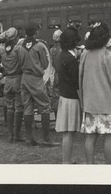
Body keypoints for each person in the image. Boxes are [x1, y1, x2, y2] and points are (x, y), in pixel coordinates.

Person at [79, 22, 111, 164]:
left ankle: (90, 166)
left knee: (90, 137)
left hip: (90, 104)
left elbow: (80, 79)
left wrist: (83, 100)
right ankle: (108, 168)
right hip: (109, 105)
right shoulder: (110, 57)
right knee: (109, 137)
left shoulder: (85, 55)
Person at [18, 21, 60, 147]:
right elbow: (46, 64)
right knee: (45, 106)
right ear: (36, 32)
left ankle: (29, 138)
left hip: (24, 78)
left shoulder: (19, 47)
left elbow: (19, 63)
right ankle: (46, 138)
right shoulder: (39, 46)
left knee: (28, 107)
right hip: (36, 79)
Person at [55, 27, 81, 164]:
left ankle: (67, 160)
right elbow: (76, 82)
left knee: (67, 132)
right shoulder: (71, 59)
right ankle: (66, 161)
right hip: (72, 98)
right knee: (70, 132)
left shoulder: (62, 55)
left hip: (64, 96)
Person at [0, 27, 25, 143]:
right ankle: (17, 134)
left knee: (9, 108)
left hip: (7, 81)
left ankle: (10, 135)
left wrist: (5, 71)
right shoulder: (18, 49)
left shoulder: (0, 50)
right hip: (18, 79)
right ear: (16, 37)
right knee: (19, 108)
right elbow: (23, 63)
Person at [49, 29, 63, 120]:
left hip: (55, 75)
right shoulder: (63, 50)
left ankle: (57, 119)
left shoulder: (51, 50)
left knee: (55, 98)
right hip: (62, 75)